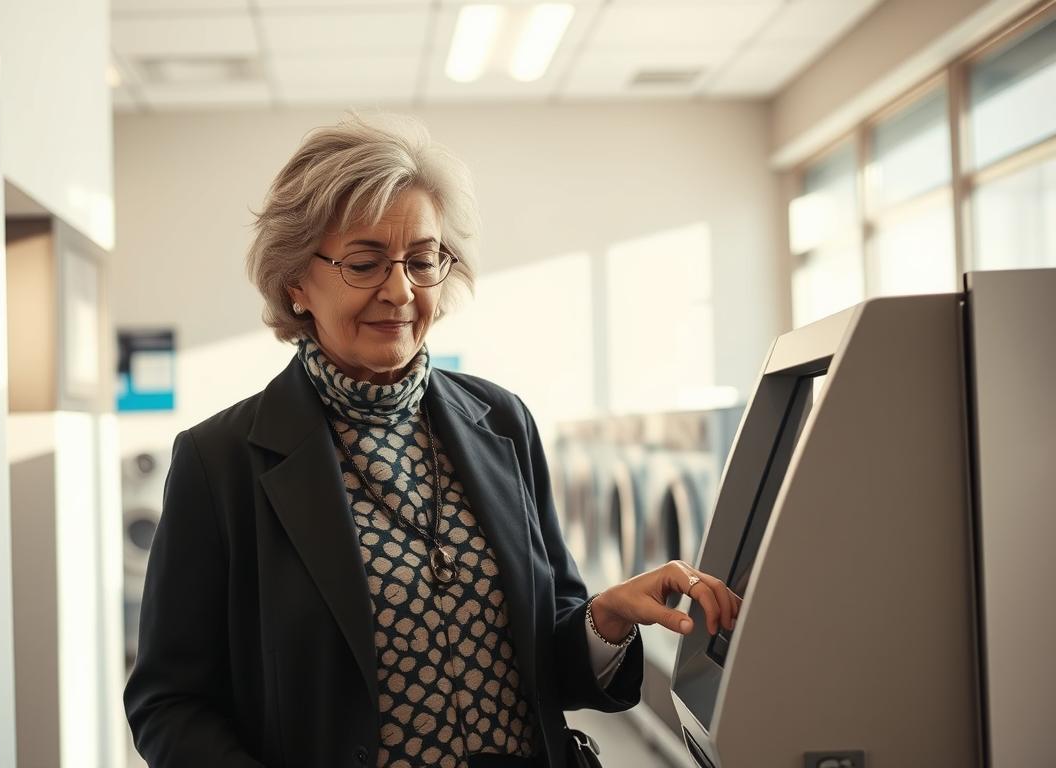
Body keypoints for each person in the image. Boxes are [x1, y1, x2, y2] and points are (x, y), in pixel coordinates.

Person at [123, 114, 740, 768]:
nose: (400, 290)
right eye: (364, 263)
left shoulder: (501, 421)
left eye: (421, 260)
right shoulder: (221, 463)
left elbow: (547, 659)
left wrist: (603, 621)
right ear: (297, 281)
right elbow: (168, 704)